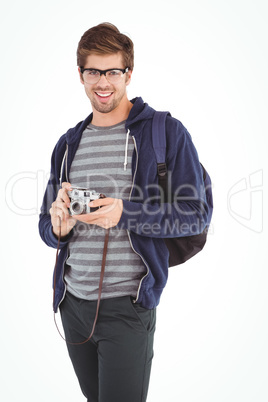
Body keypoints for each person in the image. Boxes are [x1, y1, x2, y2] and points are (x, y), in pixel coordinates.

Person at [39, 22, 209, 402]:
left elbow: (196, 214)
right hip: (71, 304)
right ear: (80, 73)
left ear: (128, 73)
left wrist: (125, 214)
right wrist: (59, 227)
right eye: (93, 71)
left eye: (113, 71)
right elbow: (45, 227)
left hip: (127, 308)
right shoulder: (68, 143)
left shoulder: (165, 132)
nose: (103, 82)